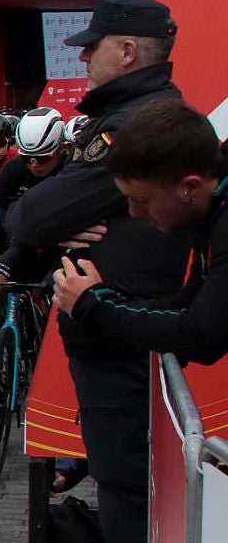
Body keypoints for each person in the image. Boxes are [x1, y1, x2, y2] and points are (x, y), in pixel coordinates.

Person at [5, 0, 190, 543]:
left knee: (133, 498)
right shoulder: (126, 119)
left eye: (92, 47)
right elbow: (41, 215)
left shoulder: (134, 125)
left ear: (127, 51)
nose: (81, 57)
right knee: (124, 491)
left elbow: (31, 216)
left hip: (125, 334)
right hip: (114, 332)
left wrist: (64, 218)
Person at [54, 99, 228, 362]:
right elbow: (190, 304)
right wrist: (99, 308)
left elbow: (203, 336)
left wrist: (95, 308)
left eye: (142, 199)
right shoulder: (210, 203)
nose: (135, 213)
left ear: (189, 187)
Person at [0, 108, 70, 392]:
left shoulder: (73, 170)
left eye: (43, 158)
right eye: (28, 157)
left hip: (62, 247)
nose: (34, 164)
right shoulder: (14, 168)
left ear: (61, 149)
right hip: (23, 244)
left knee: (60, 300)